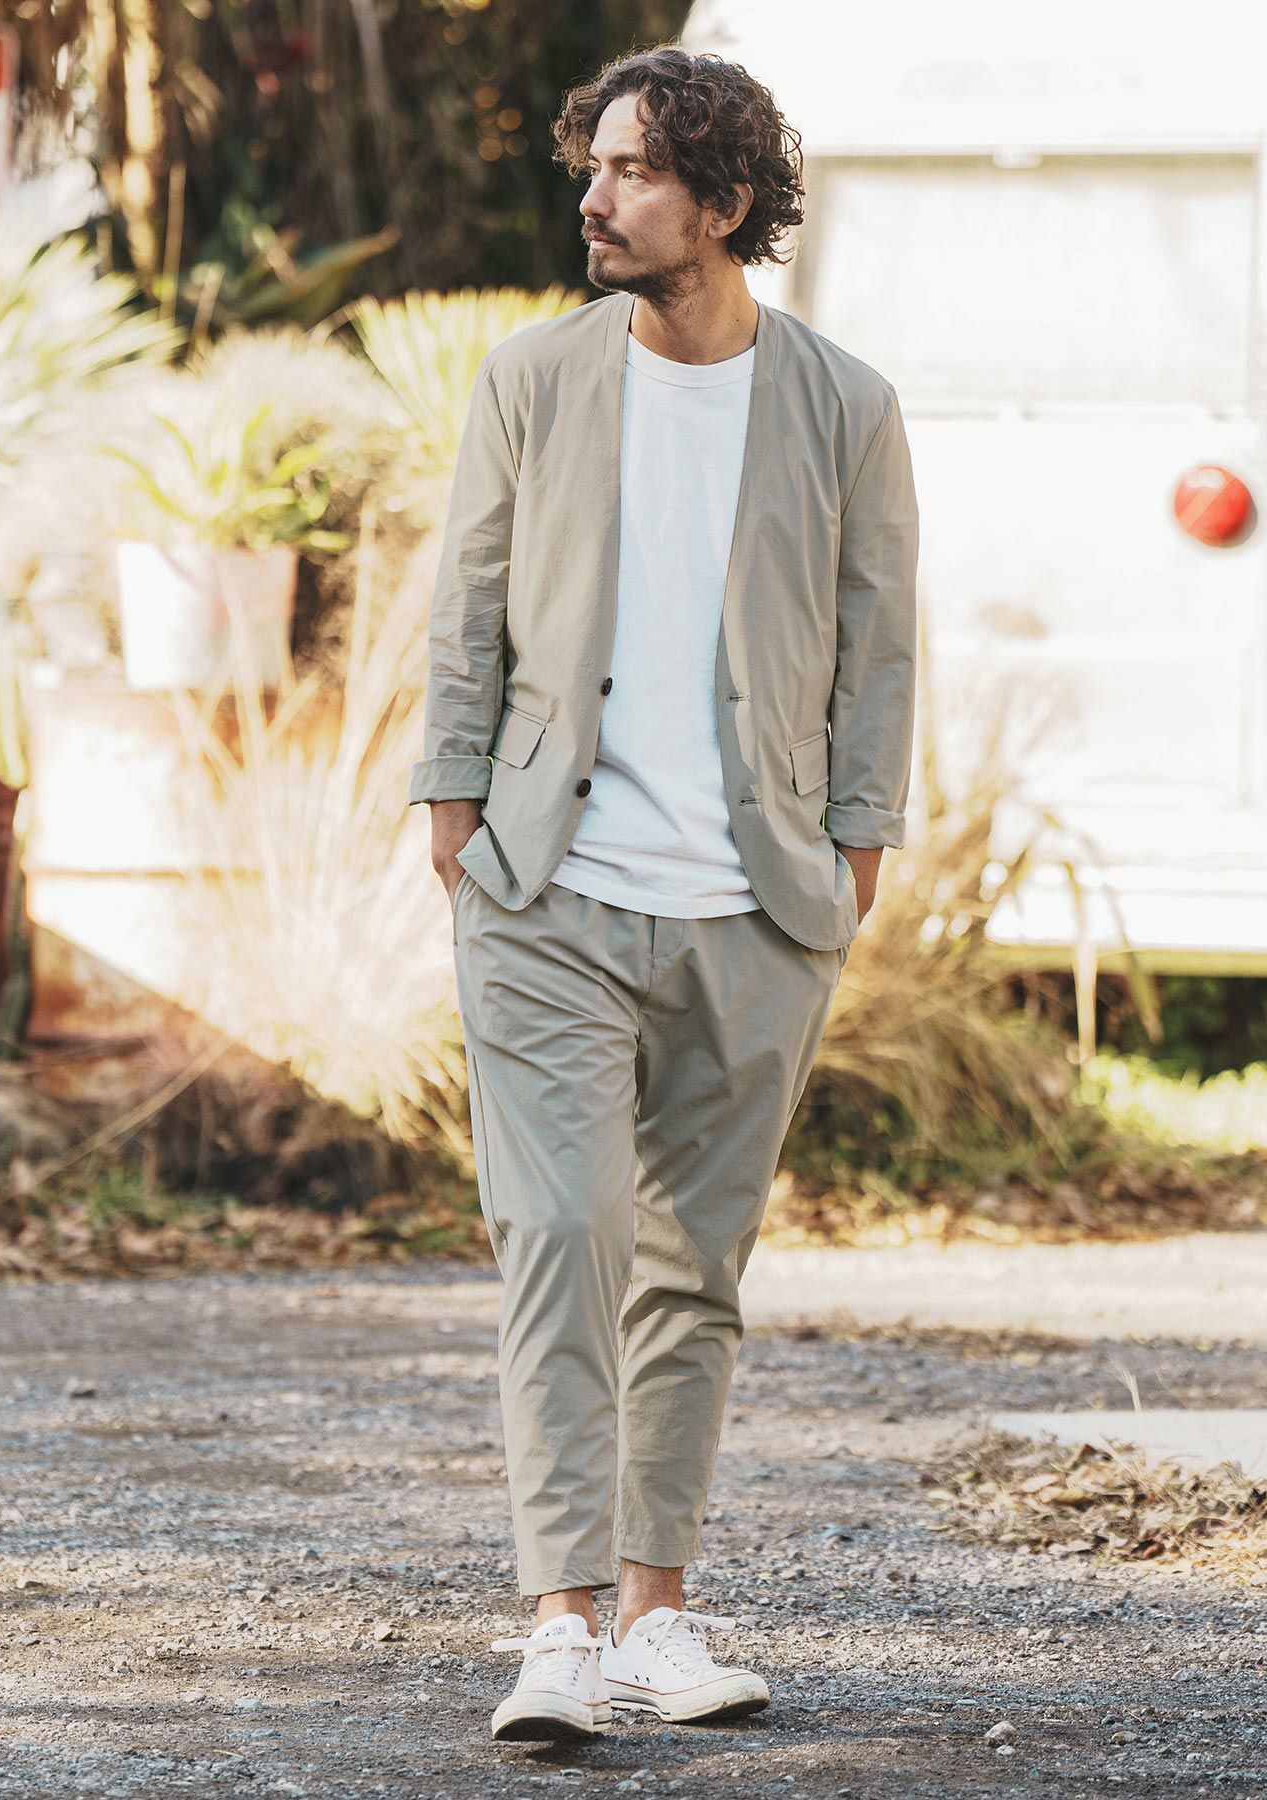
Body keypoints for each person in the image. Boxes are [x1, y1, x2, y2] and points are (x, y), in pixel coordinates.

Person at [409, 43, 918, 1743]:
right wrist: (455, 806)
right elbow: (468, 598)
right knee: (560, 1235)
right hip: (548, 885)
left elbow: (879, 642)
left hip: (755, 907)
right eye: (596, 165)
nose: (596, 196)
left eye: (632, 171)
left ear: (723, 201)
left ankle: (653, 1619)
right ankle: (557, 1626)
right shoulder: (533, 379)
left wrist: (852, 847)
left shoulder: (845, 404)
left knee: (693, 1267)